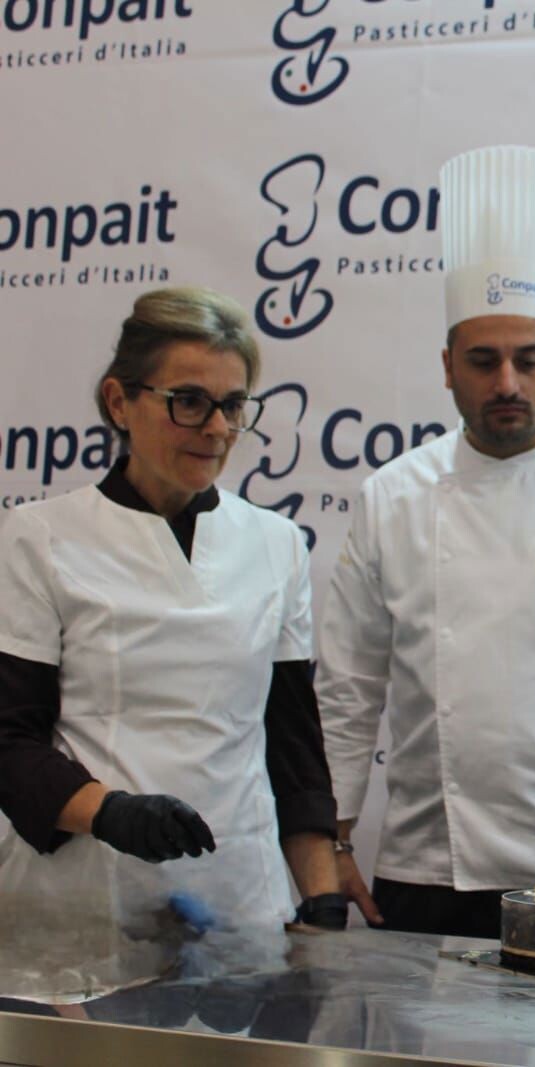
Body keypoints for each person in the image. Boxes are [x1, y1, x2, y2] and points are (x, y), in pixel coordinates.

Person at [316, 145, 535, 939]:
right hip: (427, 866)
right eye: (483, 360)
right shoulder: (392, 497)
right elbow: (348, 687)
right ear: (447, 367)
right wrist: (331, 838)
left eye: (528, 359)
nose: (507, 382)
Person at [0, 287, 344, 1000]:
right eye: (189, 401)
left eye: (233, 405)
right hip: (87, 900)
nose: (216, 428)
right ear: (119, 401)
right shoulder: (40, 538)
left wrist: (321, 896)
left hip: (240, 900)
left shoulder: (276, 544)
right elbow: (8, 740)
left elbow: (293, 746)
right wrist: (110, 812)